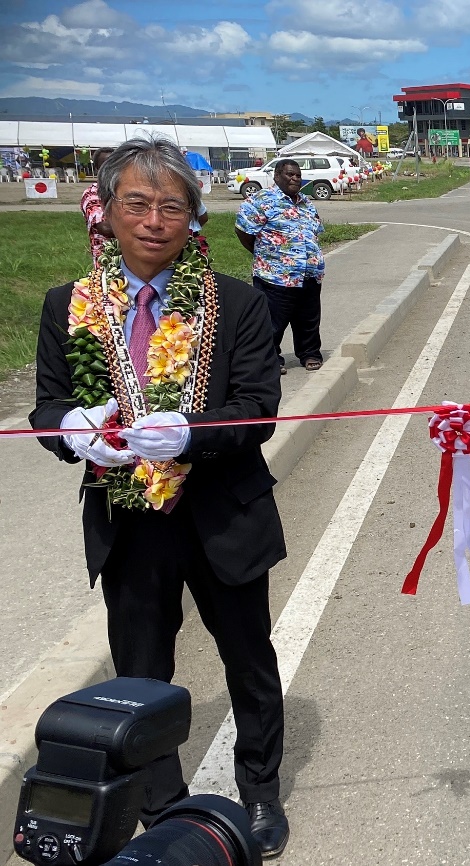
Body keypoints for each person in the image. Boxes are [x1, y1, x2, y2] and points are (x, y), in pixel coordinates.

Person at [30, 136, 291, 859]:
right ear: (107, 211)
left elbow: (258, 406)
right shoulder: (69, 306)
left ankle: (261, 789)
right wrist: (71, 429)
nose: (153, 220)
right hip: (128, 522)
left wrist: (191, 433)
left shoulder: (236, 303)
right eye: (137, 203)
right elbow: (46, 407)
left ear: (194, 219)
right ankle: (162, 801)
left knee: (249, 658)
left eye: (171, 206)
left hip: (221, 514)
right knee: (141, 669)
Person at [235, 159, 325, 375]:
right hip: (275, 275)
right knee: (272, 322)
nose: (295, 178)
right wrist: (269, 256)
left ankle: (310, 353)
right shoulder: (261, 200)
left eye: (297, 175)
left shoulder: (305, 202)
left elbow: (316, 232)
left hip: (309, 274)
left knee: (309, 319)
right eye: (289, 174)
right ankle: (271, 359)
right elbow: (243, 231)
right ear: (276, 176)